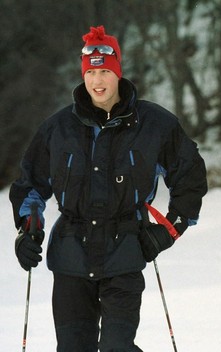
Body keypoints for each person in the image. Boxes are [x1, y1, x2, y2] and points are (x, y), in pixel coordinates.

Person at [10, 25, 208, 351]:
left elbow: (189, 176)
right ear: (83, 74)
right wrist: (28, 229)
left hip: (126, 253)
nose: (97, 81)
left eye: (104, 71)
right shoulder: (58, 129)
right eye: (91, 72)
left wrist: (171, 229)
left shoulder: (154, 125)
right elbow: (30, 185)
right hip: (71, 259)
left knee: (117, 348)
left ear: (118, 72)